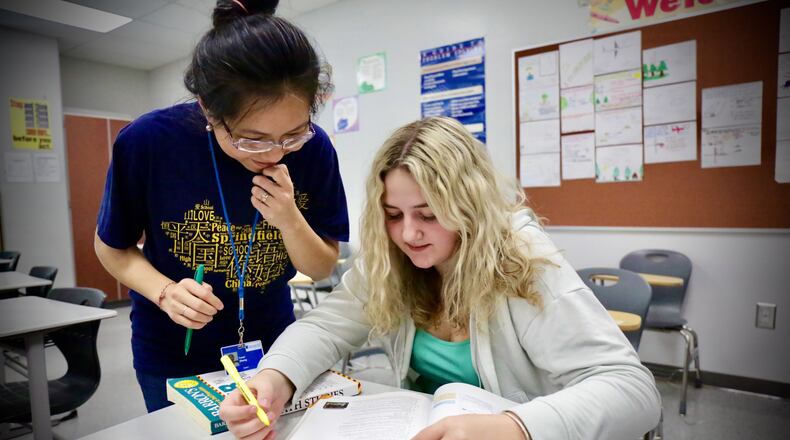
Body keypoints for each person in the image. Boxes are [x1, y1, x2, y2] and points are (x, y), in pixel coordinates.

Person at [219, 117, 661, 439]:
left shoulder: (521, 258)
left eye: (429, 215)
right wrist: (276, 379)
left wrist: (515, 429)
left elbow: (632, 390)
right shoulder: (393, 258)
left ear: (469, 206)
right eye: (394, 215)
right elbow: (324, 327)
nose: (409, 234)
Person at [94, 0, 348, 413]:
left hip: (275, 350)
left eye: (292, 134)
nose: (274, 153)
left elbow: (321, 267)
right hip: (175, 351)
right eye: (252, 138)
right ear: (209, 110)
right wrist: (165, 293)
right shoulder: (149, 142)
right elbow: (111, 247)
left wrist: (288, 219)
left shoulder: (314, 149)